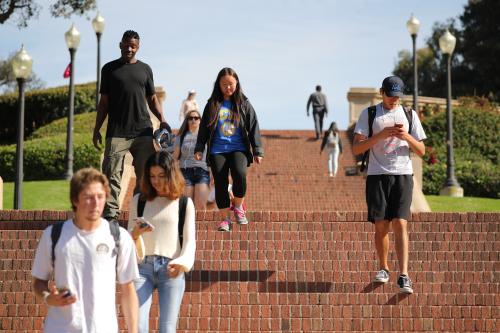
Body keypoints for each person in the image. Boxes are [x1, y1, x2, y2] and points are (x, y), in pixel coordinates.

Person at [32, 168, 139, 333]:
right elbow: (38, 282)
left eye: (100, 197)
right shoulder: (53, 235)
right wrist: (49, 298)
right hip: (60, 328)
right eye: (88, 197)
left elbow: (128, 289)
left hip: (103, 328)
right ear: (75, 200)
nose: (96, 203)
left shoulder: (119, 237)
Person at [352, 76, 427, 294]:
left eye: (397, 97)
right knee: (381, 225)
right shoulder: (370, 114)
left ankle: (404, 275)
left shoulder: (409, 115)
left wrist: (406, 136)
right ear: (381, 92)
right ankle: (384, 268)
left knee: (400, 223)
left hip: (403, 174)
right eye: (390, 96)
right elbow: (357, 149)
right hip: (377, 175)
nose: (394, 101)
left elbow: (422, 151)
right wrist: (380, 135)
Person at [92, 30, 170, 221]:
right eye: (126, 45)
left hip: (143, 131)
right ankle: (110, 216)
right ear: (120, 45)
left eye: (133, 46)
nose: (129, 48)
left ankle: (139, 213)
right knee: (111, 174)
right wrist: (97, 129)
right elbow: (104, 103)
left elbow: (152, 98)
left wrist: (162, 119)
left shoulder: (145, 69)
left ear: (138, 47)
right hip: (116, 132)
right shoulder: (109, 69)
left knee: (146, 175)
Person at [128, 151, 196, 333]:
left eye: (161, 176)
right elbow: (128, 238)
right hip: (142, 268)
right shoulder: (138, 201)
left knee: (167, 329)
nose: (156, 181)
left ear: (171, 174)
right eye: (151, 176)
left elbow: (190, 241)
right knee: (138, 325)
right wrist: (135, 233)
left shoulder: (184, 203)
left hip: (171, 269)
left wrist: (181, 263)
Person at [194, 67, 264, 231]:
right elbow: (203, 128)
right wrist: (199, 148)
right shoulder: (212, 104)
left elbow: (253, 126)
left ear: (237, 84)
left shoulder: (243, 103)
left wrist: (257, 150)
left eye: (231, 84)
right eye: (224, 84)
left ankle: (238, 207)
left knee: (240, 174)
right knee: (220, 183)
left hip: (238, 148)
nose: (228, 87)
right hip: (217, 150)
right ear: (218, 85)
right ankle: (225, 219)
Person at [173, 109, 210, 209]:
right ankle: (186, 224)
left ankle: (200, 225)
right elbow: (175, 157)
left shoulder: (206, 136)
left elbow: (211, 156)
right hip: (185, 172)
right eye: (190, 118)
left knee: (201, 205)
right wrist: (175, 174)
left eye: (196, 118)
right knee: (186, 206)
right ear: (187, 120)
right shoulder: (181, 137)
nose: (193, 120)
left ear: (200, 121)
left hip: (202, 171)